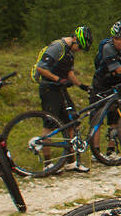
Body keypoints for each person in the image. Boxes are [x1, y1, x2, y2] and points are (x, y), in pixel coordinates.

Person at [33, 25, 94, 172]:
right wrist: (58, 79)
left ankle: (71, 162)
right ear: (74, 39)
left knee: (71, 123)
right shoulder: (57, 47)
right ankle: (48, 164)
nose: (79, 50)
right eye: (79, 47)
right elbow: (41, 68)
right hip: (49, 89)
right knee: (50, 125)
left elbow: (69, 74)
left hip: (60, 89)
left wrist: (81, 86)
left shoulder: (70, 52)